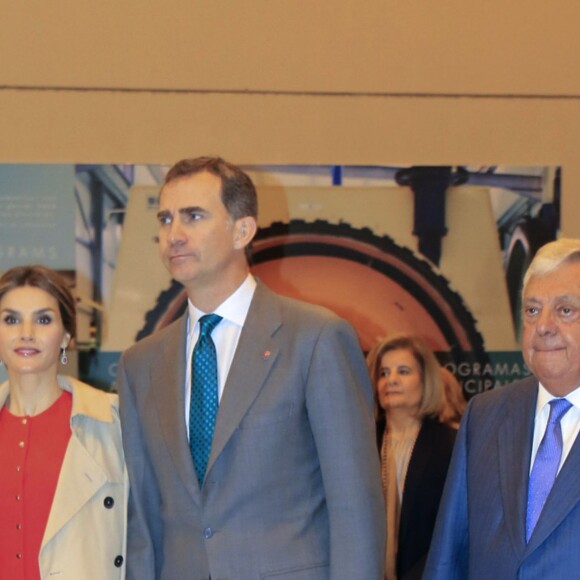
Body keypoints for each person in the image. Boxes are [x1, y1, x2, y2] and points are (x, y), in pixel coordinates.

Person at [117, 156, 386, 580]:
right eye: (166, 219)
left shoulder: (315, 339)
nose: (174, 234)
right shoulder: (141, 364)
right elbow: (144, 518)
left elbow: (355, 505)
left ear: (242, 230)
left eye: (194, 216)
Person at [423, 237, 580, 579]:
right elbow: (450, 550)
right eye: (532, 310)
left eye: (565, 310)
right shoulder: (486, 414)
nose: (543, 326)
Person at [0, 265, 127, 580]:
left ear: (66, 335)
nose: (26, 332)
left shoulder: (113, 422)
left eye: (43, 319)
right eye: (10, 319)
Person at [367, 334, 456, 580]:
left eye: (403, 371)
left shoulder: (450, 445)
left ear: (425, 380)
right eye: (383, 373)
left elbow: (455, 528)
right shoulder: (360, 443)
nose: (391, 380)